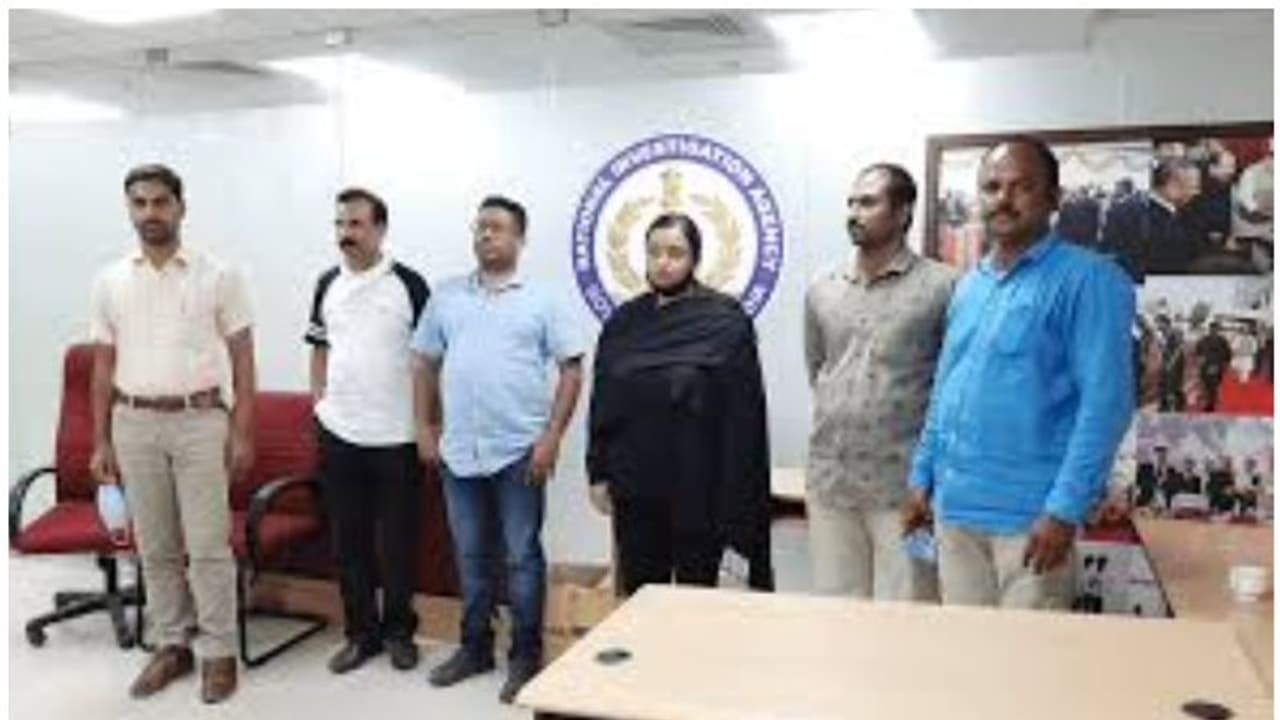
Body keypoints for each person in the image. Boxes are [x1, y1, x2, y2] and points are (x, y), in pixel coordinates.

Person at [903, 136, 1135, 610]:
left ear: (1053, 198)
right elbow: (946, 388)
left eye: (1021, 187)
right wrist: (921, 475)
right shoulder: (969, 284)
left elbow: (1106, 405)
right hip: (954, 514)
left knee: (1027, 657)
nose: (1003, 199)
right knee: (964, 651)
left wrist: (1064, 509)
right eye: (991, 187)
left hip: (1032, 522)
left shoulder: (1089, 280)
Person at [89, 164, 254, 703]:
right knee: (155, 546)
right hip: (132, 422)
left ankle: (219, 653)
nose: (150, 213)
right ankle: (172, 645)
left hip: (200, 421)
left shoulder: (218, 275)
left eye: (160, 202)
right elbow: (102, 366)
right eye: (139, 203)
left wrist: (242, 432)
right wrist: (100, 440)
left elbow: (243, 361)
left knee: (207, 546)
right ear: (129, 209)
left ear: (181, 206)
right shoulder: (110, 280)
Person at [410, 195, 585, 704]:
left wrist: (551, 437)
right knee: (469, 555)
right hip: (459, 452)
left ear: (520, 239)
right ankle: (475, 648)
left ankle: (526, 656)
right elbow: (423, 363)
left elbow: (572, 370)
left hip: (519, 451)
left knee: (522, 556)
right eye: (480, 227)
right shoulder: (446, 296)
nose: (486, 235)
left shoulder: (543, 299)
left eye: (497, 227)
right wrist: (424, 425)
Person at [587, 213, 773, 596]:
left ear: (695, 258)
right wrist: (598, 472)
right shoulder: (623, 323)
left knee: (696, 603)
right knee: (641, 598)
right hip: (636, 488)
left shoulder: (724, 321)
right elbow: (603, 400)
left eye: (675, 253)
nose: (663, 262)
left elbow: (744, 417)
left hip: (699, 488)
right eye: (654, 252)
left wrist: (737, 498)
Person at [802, 163, 955, 600]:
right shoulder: (823, 287)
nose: (854, 213)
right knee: (836, 608)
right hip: (832, 480)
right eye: (851, 203)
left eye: (868, 202)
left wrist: (930, 479)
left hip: (906, 488)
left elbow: (951, 387)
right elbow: (819, 369)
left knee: (907, 612)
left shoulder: (943, 286)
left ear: (903, 212)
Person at [305, 188, 429, 674]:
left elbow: (428, 362)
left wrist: (427, 424)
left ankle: (399, 632)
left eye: (356, 224)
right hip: (339, 434)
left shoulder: (409, 285)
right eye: (340, 224)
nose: (345, 234)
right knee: (348, 543)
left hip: (397, 437)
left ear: (380, 229)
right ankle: (361, 635)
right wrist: (320, 404)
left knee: (397, 544)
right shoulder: (327, 283)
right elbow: (319, 348)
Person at [1195, 322, 1233, 412]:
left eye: (1216, 329)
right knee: (1207, 385)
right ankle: (1209, 401)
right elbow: (1198, 352)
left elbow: (1228, 353)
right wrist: (1199, 360)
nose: (1214, 331)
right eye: (1213, 329)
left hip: (1216, 365)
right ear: (1210, 329)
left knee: (1213, 385)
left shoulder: (1222, 341)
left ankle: (1211, 403)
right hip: (1206, 365)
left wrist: (1226, 363)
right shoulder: (1204, 340)